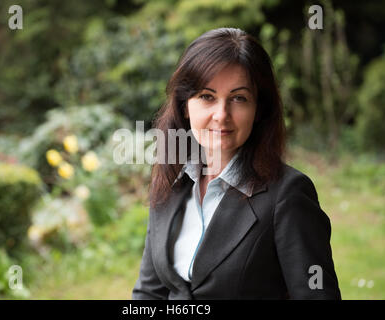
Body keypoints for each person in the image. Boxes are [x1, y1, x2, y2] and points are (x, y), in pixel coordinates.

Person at [132, 27, 341, 299]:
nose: (222, 115)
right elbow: (150, 293)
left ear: (258, 110)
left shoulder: (288, 194)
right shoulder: (170, 180)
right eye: (207, 96)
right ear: (185, 105)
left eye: (239, 98)